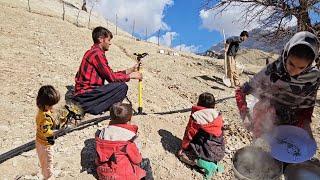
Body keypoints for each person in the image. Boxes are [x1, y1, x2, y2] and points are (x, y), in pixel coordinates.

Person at [235, 31, 320, 138]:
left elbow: (308, 105)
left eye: (301, 68)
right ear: (286, 54)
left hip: (292, 124)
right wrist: (244, 114)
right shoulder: (271, 71)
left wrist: (305, 124)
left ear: (309, 65)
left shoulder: (313, 77)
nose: (293, 71)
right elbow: (240, 91)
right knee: (261, 151)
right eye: (291, 64)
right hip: (264, 120)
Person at [73, 26, 142, 115]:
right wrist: (130, 76)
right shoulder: (97, 54)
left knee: (119, 86)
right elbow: (112, 78)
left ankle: (95, 107)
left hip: (87, 94)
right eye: (108, 40)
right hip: (86, 96)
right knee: (121, 87)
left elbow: (110, 74)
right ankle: (93, 108)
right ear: (101, 39)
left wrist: (130, 70)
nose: (110, 43)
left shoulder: (94, 52)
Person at [95, 103, 153, 180]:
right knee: (145, 162)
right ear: (129, 120)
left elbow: (98, 156)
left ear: (111, 118)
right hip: (125, 176)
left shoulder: (102, 132)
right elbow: (137, 160)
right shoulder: (130, 137)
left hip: (104, 174)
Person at [178, 92, 225, 179]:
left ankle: (202, 163)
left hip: (206, 152)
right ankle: (215, 163)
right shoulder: (217, 115)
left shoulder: (196, 116)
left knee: (181, 154)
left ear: (199, 103)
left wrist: (184, 147)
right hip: (219, 151)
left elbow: (189, 134)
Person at [35, 85, 60, 180]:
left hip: (39, 141)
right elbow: (46, 131)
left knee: (44, 163)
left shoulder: (41, 111)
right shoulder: (45, 118)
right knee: (48, 165)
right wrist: (54, 132)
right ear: (44, 104)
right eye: (50, 105)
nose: (52, 107)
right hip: (45, 145)